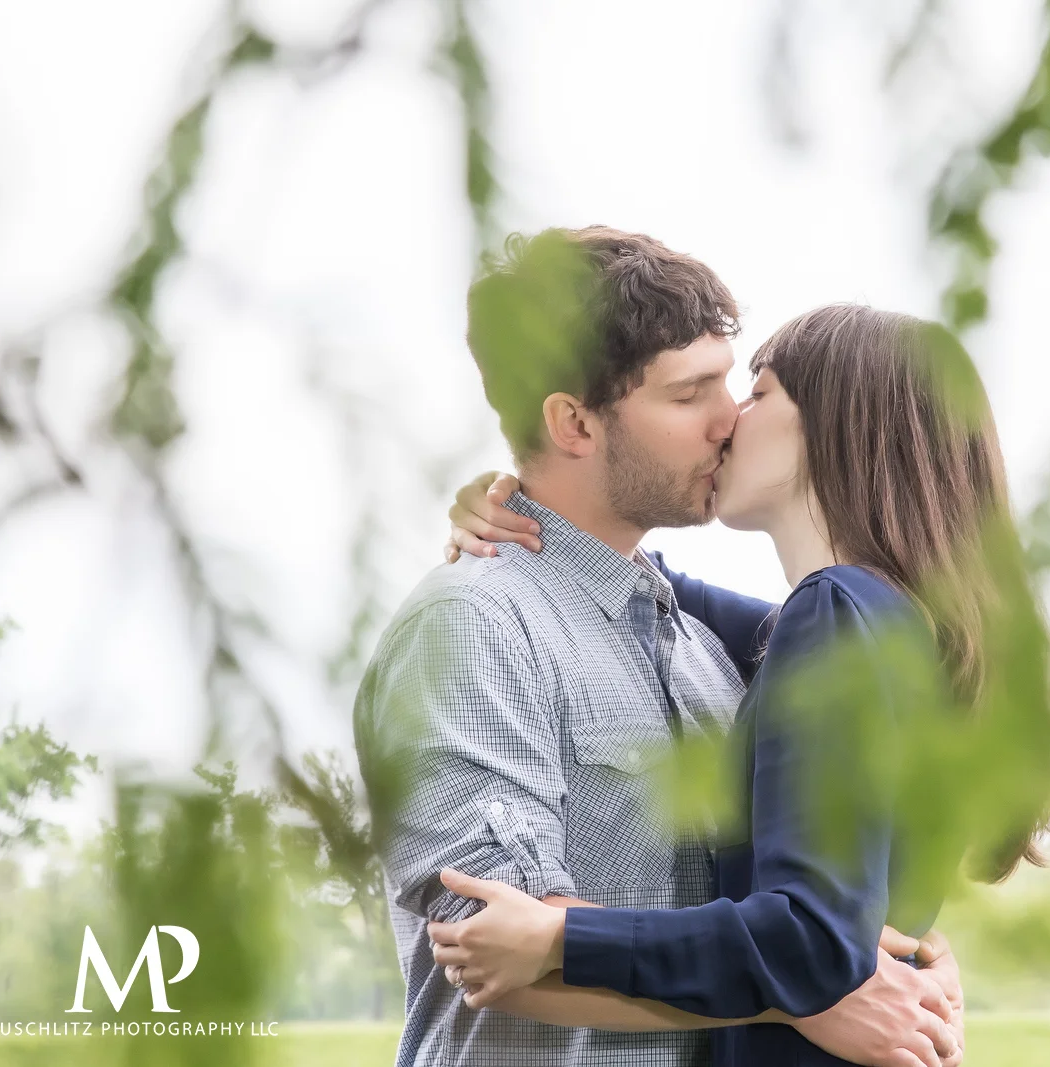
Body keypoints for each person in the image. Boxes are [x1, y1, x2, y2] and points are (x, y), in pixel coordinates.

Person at [354, 228, 962, 1067]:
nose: (727, 420)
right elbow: (495, 947)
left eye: (736, 382)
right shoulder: (473, 628)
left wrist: (876, 953)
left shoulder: (710, 642)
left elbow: (812, 892)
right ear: (573, 422)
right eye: (690, 395)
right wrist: (806, 999)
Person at [435, 303, 1050, 1066]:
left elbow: (810, 937)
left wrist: (563, 935)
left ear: (835, 426)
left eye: (759, 393)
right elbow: (640, 583)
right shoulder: (880, 625)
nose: (730, 418)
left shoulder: (838, 621)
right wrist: (515, 505)